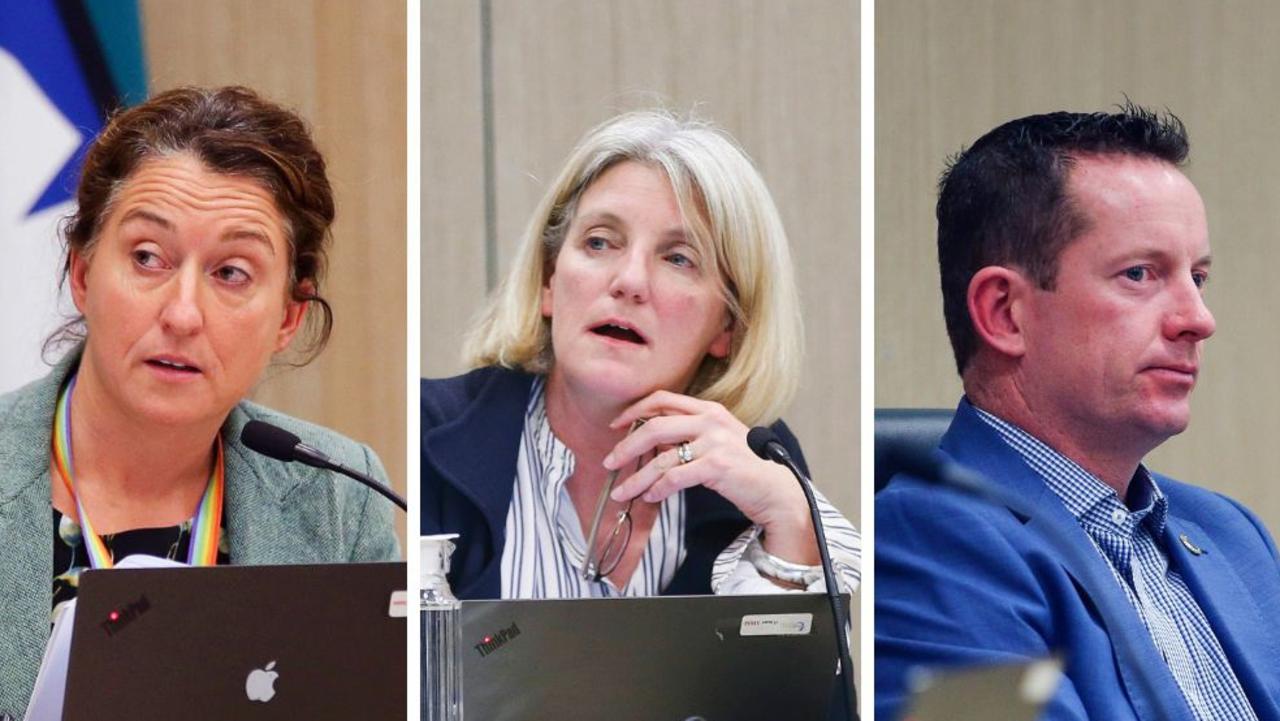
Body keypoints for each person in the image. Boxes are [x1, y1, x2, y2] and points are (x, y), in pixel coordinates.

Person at [0, 86, 399, 718]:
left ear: (289, 318)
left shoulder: (340, 498)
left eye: (232, 272)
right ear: (81, 274)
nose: (183, 314)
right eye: (148, 257)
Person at [875, 105, 1280, 721]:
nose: (1198, 318)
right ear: (1005, 312)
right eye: (1141, 274)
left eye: (1198, 277)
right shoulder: (925, 544)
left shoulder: (1231, 533)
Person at [421, 110, 860, 601]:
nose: (628, 281)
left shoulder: (757, 460)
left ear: (728, 326)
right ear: (549, 281)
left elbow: (786, 676)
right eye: (600, 242)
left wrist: (792, 523)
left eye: (678, 258)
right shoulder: (426, 433)